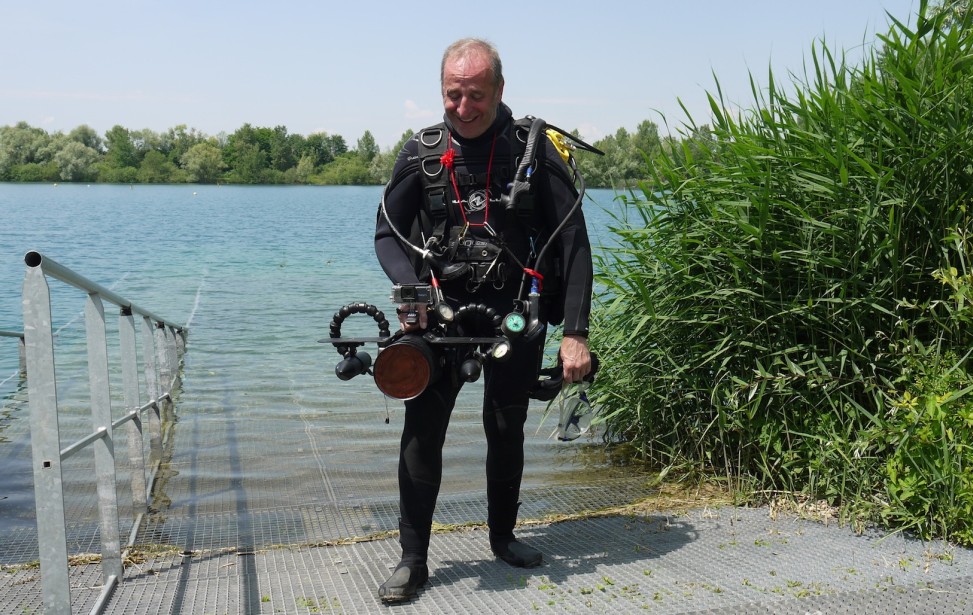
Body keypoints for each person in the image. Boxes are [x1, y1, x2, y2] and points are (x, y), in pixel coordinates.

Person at [373, 37, 593, 603]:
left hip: (514, 316)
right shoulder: (420, 153)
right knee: (422, 433)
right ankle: (413, 558)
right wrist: (412, 289)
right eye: (453, 95)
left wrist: (575, 334)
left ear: (499, 90)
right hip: (438, 317)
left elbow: (573, 243)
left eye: (476, 95)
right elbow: (386, 234)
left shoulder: (534, 150)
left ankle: (503, 537)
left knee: (506, 426)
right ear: (441, 91)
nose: (463, 107)